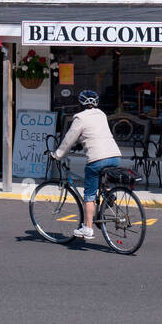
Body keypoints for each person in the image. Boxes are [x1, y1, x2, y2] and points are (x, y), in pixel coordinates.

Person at [51, 90, 121, 240]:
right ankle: (108, 194)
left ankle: (87, 229)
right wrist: (80, 145)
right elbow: (96, 134)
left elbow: (69, 139)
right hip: (115, 155)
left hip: (97, 159)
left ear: (80, 104)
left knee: (89, 194)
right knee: (102, 177)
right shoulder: (101, 114)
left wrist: (57, 155)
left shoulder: (80, 118)